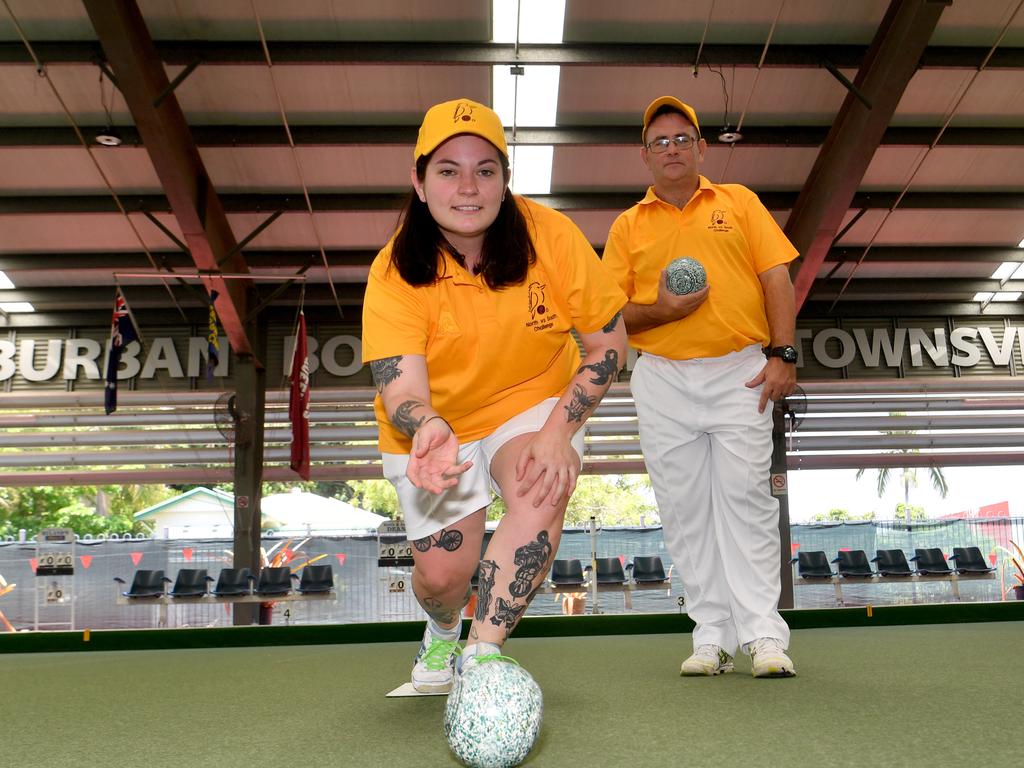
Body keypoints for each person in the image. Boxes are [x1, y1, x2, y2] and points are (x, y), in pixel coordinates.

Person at [362, 98, 627, 693]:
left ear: (505, 183)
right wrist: (427, 426)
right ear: (419, 181)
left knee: (542, 482)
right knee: (441, 579)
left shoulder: (550, 236)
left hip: (530, 399)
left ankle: (482, 656)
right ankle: (442, 632)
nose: (468, 187)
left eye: (486, 170)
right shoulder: (394, 270)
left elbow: (609, 345)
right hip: (436, 428)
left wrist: (559, 432)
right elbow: (399, 383)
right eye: (448, 170)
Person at [601, 96, 799, 678]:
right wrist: (660, 309)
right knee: (684, 509)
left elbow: (775, 276)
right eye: (660, 142)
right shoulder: (627, 225)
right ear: (645, 156)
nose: (672, 149)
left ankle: (763, 634)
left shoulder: (739, 202)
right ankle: (711, 634)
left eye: (683, 138)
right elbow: (608, 317)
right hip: (661, 378)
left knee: (746, 500)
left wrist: (783, 352)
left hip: (740, 368)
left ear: (702, 147)